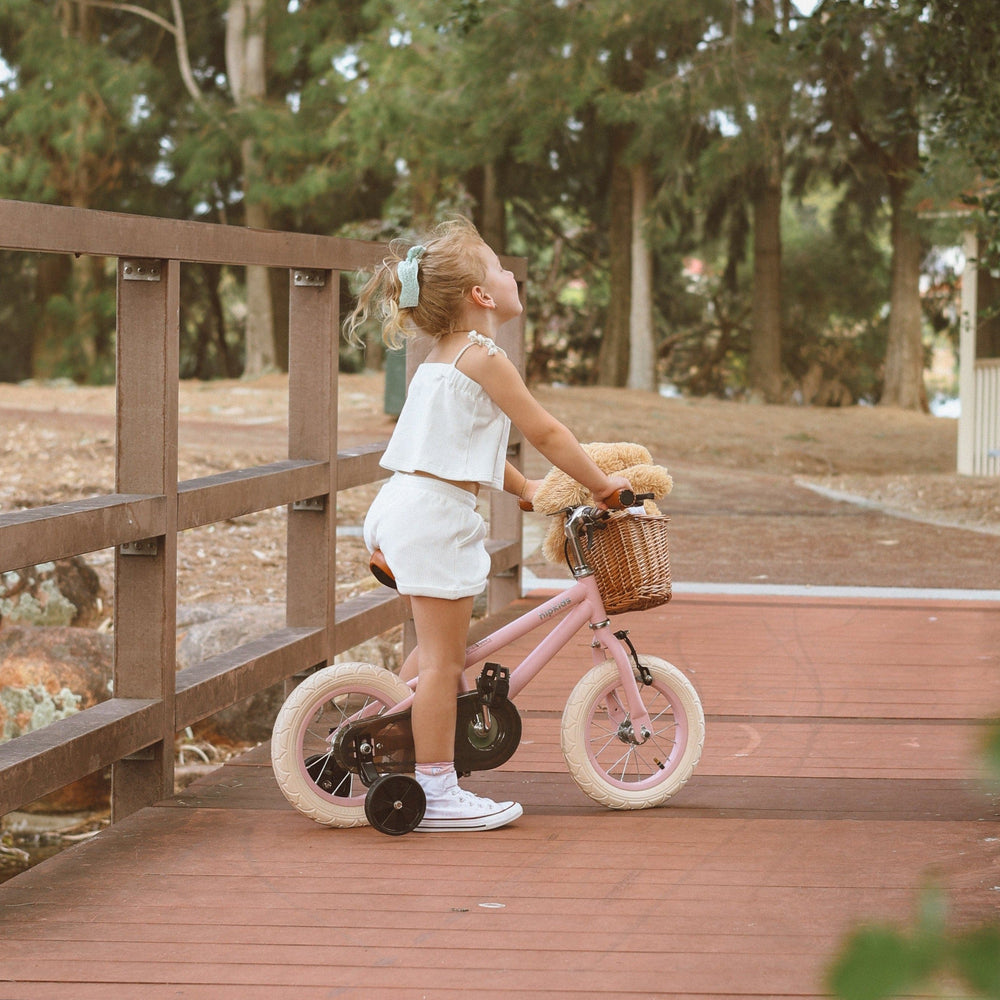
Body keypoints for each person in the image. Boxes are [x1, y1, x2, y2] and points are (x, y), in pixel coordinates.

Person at [345, 217, 631, 832]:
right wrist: (602, 485)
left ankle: (380, 737)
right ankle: (437, 790)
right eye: (501, 268)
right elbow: (545, 430)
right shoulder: (487, 357)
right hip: (433, 519)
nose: (510, 275)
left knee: (434, 653)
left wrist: (526, 488)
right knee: (445, 665)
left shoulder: (442, 358)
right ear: (481, 295)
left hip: (403, 506)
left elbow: (458, 444)